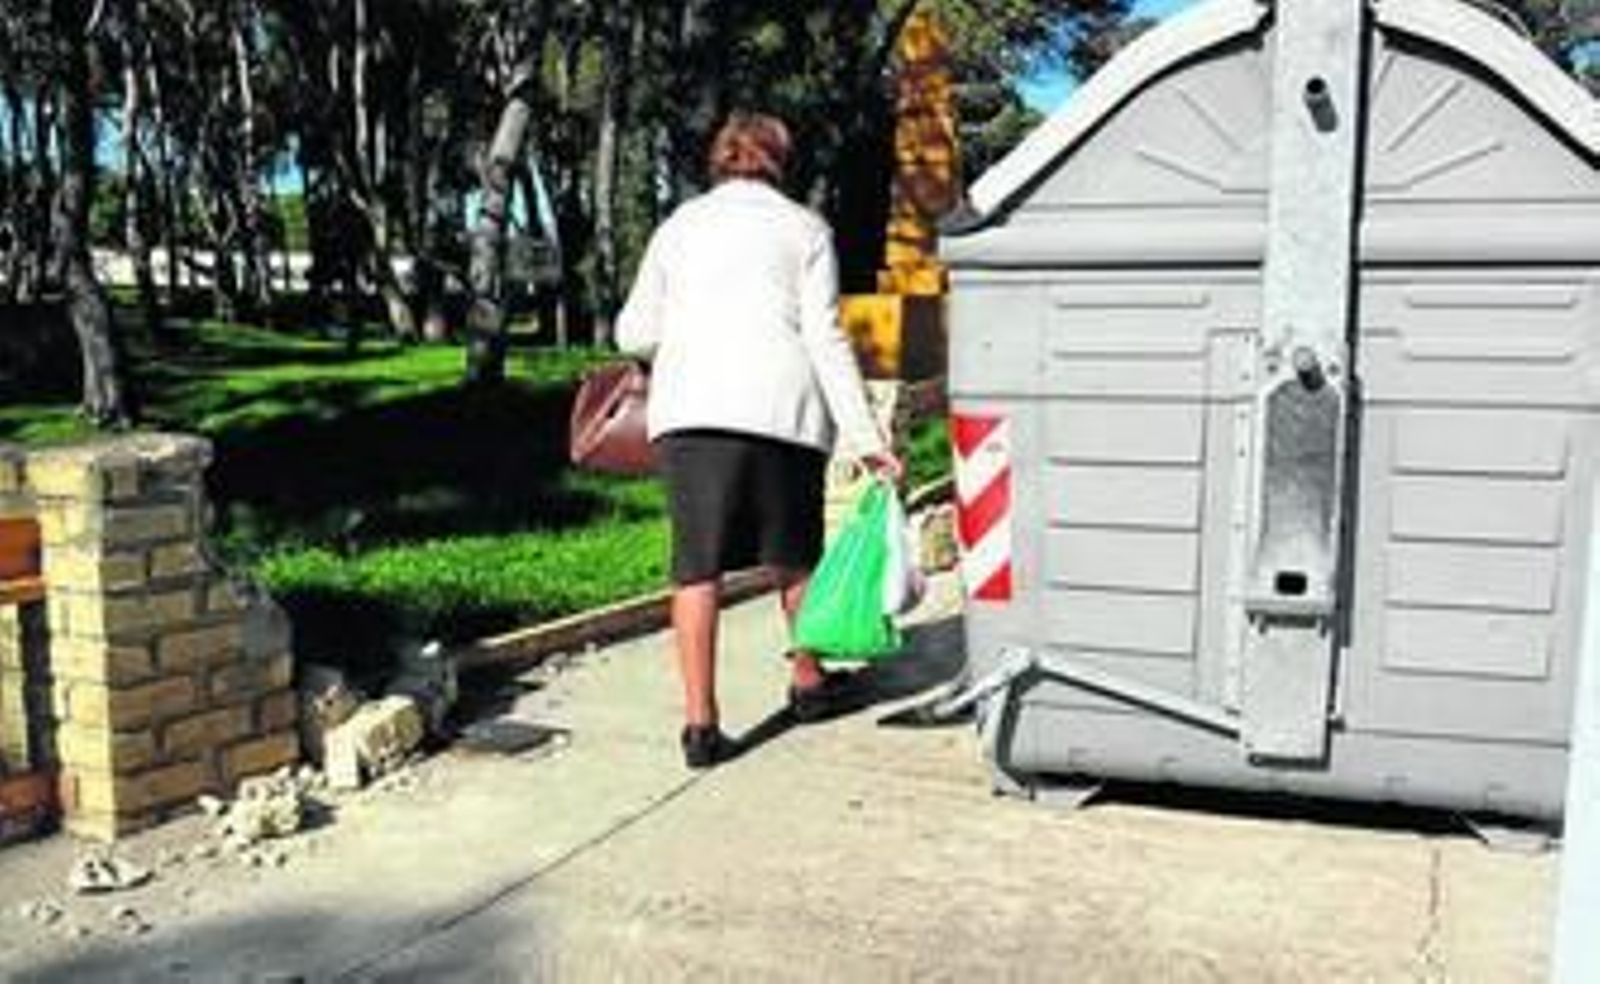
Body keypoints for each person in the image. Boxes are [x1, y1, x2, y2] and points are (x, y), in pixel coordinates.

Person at [616, 111, 902, 770]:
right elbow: (825, 338)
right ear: (779, 161)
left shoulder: (678, 228)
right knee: (795, 556)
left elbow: (633, 331)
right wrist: (865, 436)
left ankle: (700, 726)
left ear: (718, 160)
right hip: (783, 409)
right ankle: (807, 680)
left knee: (695, 570)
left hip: (692, 412)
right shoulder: (805, 229)